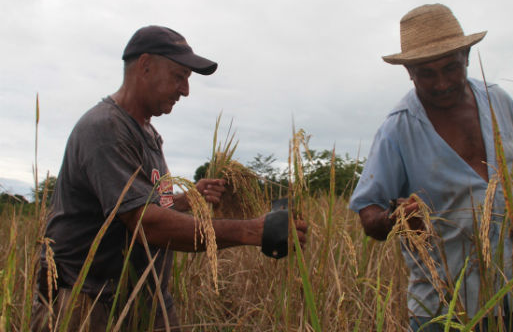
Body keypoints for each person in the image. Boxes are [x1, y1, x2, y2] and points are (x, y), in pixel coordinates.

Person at [31, 25, 307, 331]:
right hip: (90, 304)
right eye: (179, 76)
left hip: (143, 299)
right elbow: (146, 224)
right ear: (145, 66)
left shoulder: (147, 134)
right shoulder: (106, 130)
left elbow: (144, 207)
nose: (186, 90)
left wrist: (189, 199)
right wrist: (250, 232)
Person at [348, 4, 513, 331]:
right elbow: (369, 214)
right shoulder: (398, 130)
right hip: (443, 310)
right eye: (426, 73)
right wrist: (396, 220)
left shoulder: (501, 103)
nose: (441, 84)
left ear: (466, 56)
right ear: (409, 71)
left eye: (450, 68)